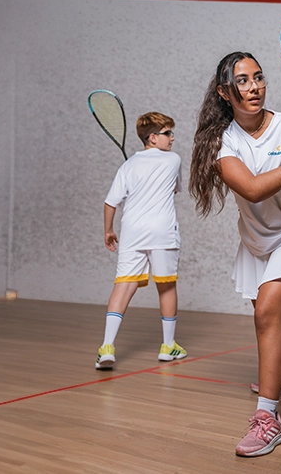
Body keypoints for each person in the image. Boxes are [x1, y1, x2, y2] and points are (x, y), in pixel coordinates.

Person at [189, 52, 281, 457]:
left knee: (266, 314)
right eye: (243, 81)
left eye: (259, 78)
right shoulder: (222, 140)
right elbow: (250, 188)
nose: (253, 87)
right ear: (224, 92)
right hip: (254, 242)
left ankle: (268, 419)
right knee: (275, 317)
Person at [95, 112, 187, 370]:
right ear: (153, 138)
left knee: (123, 286)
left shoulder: (128, 166)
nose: (173, 138)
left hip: (132, 233)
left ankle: (106, 348)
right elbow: (176, 188)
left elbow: (110, 202)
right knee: (166, 287)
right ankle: (168, 347)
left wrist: (108, 231)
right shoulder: (173, 160)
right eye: (168, 133)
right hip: (162, 233)